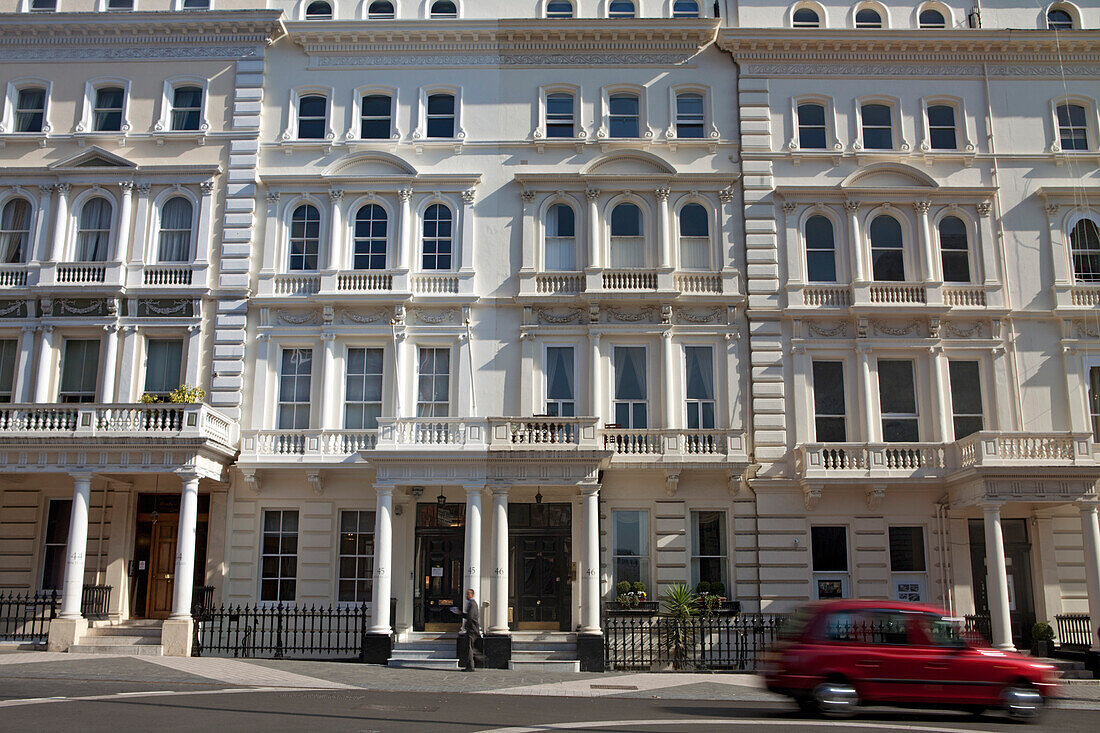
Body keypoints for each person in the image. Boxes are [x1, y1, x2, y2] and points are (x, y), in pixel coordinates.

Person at [454, 588, 481, 671]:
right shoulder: (471, 603)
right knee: (469, 647)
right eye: (466, 594)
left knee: (469, 648)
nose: (466, 595)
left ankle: (471, 666)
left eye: (468, 594)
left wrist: (468, 626)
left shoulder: (472, 604)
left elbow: (471, 617)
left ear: (472, 595)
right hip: (471, 629)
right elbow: (469, 616)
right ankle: (476, 660)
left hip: (472, 629)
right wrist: (460, 613)